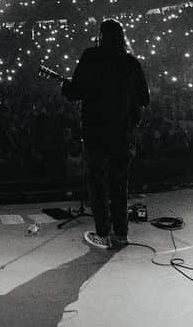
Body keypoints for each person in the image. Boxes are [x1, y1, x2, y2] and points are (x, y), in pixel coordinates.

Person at [64, 19, 150, 250]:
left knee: (98, 184)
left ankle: (103, 233)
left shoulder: (91, 56)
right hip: (123, 134)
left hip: (96, 132)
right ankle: (121, 234)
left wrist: (67, 87)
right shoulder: (131, 63)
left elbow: (75, 92)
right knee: (119, 185)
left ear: (100, 36)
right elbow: (144, 98)